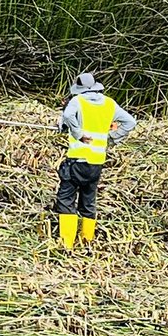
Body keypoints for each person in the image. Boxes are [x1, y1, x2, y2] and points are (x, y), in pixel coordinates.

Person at [55, 72, 137, 251]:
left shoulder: (77, 101)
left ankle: (67, 244)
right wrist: (112, 138)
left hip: (77, 160)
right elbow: (130, 122)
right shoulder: (109, 103)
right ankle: (87, 242)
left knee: (66, 198)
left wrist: (77, 134)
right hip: (97, 163)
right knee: (88, 200)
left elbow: (68, 116)